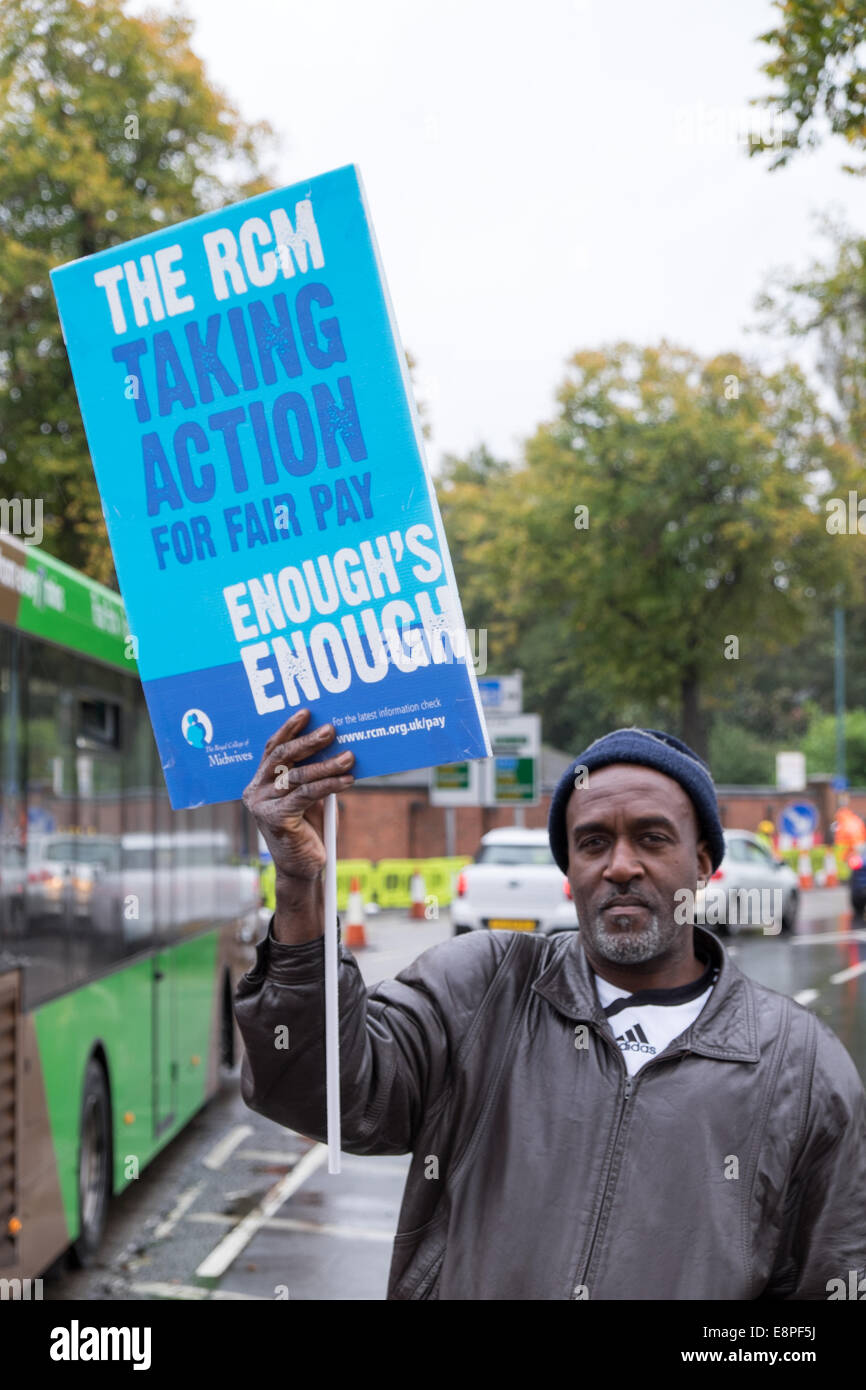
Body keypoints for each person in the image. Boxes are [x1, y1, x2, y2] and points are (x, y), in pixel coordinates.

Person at [235, 710, 866, 1300]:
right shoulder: (482, 987)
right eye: (593, 843)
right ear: (570, 871)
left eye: (652, 838)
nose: (621, 866)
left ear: (702, 864)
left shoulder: (800, 1064)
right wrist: (300, 885)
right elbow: (318, 1090)